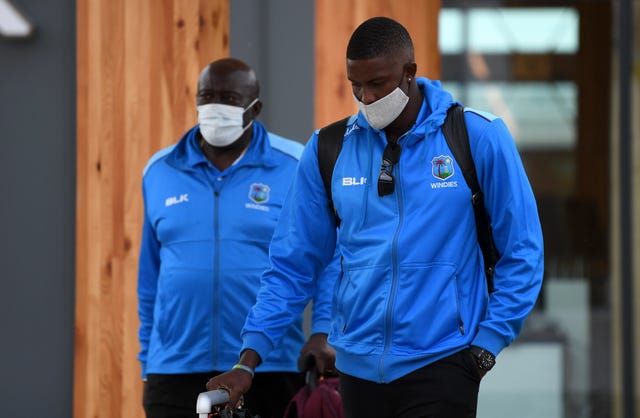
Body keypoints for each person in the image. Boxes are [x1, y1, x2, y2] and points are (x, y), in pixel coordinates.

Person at [206, 17, 544, 418]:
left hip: (444, 365)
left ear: (409, 74)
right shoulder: (328, 149)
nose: (365, 98)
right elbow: (292, 265)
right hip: (357, 371)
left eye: (377, 84)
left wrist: (487, 345)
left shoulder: (476, 137)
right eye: (355, 85)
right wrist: (249, 359)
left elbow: (522, 251)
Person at [137, 57, 337, 418]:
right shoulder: (159, 171)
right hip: (174, 367)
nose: (216, 106)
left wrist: (323, 329)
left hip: (268, 365)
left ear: (254, 107)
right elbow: (150, 278)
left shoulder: (294, 165)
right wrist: (147, 362)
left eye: (229, 98)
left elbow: (326, 259)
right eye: (207, 96)